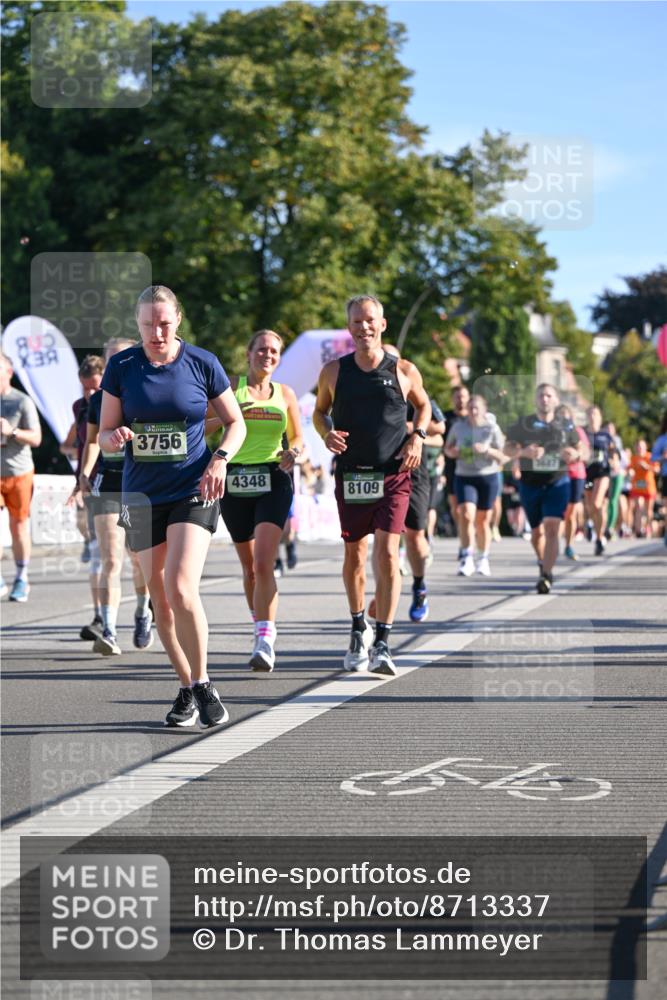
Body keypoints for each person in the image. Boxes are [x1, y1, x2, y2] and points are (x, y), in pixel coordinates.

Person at [99, 285, 246, 728]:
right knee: (160, 599)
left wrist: (220, 458)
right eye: (148, 325)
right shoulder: (122, 366)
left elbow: (235, 422)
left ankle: (202, 683)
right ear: (138, 324)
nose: (157, 333)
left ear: (178, 319)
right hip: (140, 495)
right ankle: (186, 686)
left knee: (181, 587)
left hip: (193, 487)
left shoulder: (202, 362)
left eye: (164, 323)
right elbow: (105, 432)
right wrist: (115, 437)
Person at [313, 294, 430, 676]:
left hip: (394, 474)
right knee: (355, 557)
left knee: (389, 554)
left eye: (370, 321)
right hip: (352, 475)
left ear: (382, 325)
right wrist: (326, 433)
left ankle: (382, 641)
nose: (364, 327)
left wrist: (418, 437)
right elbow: (319, 412)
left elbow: (424, 406)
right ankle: (358, 624)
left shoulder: (404, 369)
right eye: (357, 322)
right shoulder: (334, 371)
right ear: (350, 328)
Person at [214, 329, 303, 672]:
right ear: (249, 353)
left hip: (273, 477)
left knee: (265, 562)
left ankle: (265, 639)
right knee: (250, 567)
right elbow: (207, 425)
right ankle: (259, 621)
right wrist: (227, 420)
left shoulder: (286, 393)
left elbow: (295, 434)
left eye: (274, 351)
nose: (268, 355)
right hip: (234, 479)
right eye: (262, 349)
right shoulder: (231, 388)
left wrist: (294, 451)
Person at [80, 338, 154, 656]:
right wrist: (84, 472)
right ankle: (109, 629)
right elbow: (92, 440)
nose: (116, 365)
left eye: (120, 359)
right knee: (111, 559)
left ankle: (142, 610)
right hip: (108, 481)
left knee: (139, 559)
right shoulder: (98, 400)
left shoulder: (147, 391)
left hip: (140, 482)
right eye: (110, 360)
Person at [505, 384, 583, 594]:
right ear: (535, 400)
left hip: (557, 482)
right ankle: (543, 562)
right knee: (536, 532)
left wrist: (574, 455)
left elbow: (582, 449)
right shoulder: (523, 424)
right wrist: (523, 452)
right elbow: (507, 448)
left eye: (549, 395)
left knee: (551, 527)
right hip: (530, 484)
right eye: (541, 395)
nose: (545, 399)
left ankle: (546, 575)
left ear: (556, 400)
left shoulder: (566, 425)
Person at [61, 355, 105, 636]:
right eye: (84, 388)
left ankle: (146, 604)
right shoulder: (80, 407)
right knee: (98, 552)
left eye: (94, 387)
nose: (89, 393)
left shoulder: (116, 403)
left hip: (119, 480)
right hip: (88, 483)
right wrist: (80, 476)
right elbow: (74, 443)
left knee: (136, 557)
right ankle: (100, 617)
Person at [444, 394, 506, 576]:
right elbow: (447, 449)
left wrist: (487, 450)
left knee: (482, 520)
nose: (473, 411)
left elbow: (504, 456)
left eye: (477, 408)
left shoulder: (491, 428)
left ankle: (483, 558)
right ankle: (467, 557)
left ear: (484, 410)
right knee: (465, 515)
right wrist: (453, 452)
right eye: (470, 408)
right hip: (464, 476)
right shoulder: (458, 427)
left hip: (487, 477)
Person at [0, 352, 42, 601]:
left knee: (18, 527)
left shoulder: (21, 401)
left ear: (9, 372)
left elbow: (36, 438)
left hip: (19, 471)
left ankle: (21, 577)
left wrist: (12, 431)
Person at [555, 403, 589, 560]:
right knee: (558, 513)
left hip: (576, 475)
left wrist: (575, 454)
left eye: (566, 415)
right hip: (557, 475)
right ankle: (553, 545)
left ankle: (568, 545)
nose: (563, 418)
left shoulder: (578, 432)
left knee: (571, 513)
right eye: (560, 415)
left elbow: (586, 453)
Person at [443, 385, 470, 558]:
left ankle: (467, 542)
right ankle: (463, 537)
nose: (461, 399)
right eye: (457, 396)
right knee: (456, 509)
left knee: (467, 510)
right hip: (451, 466)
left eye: (463, 396)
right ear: (453, 399)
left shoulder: (473, 418)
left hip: (471, 468)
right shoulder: (446, 418)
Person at [583, 405, 614, 556]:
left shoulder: (605, 435)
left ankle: (598, 535)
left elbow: (614, 451)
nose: (593, 417)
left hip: (603, 473)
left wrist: (615, 460)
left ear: (600, 417)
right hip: (587, 474)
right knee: (592, 507)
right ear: (586, 417)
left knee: (597, 503)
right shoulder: (582, 434)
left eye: (595, 414)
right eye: (590, 414)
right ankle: (598, 536)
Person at [628, 439, 658, 538]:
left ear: (646, 447)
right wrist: (630, 472)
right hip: (637, 487)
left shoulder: (650, 457)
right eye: (638, 446)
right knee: (639, 507)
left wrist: (646, 467)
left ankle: (648, 528)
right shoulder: (633, 458)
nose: (639, 448)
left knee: (648, 510)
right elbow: (629, 469)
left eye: (641, 446)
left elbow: (657, 469)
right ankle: (638, 530)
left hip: (649, 487)